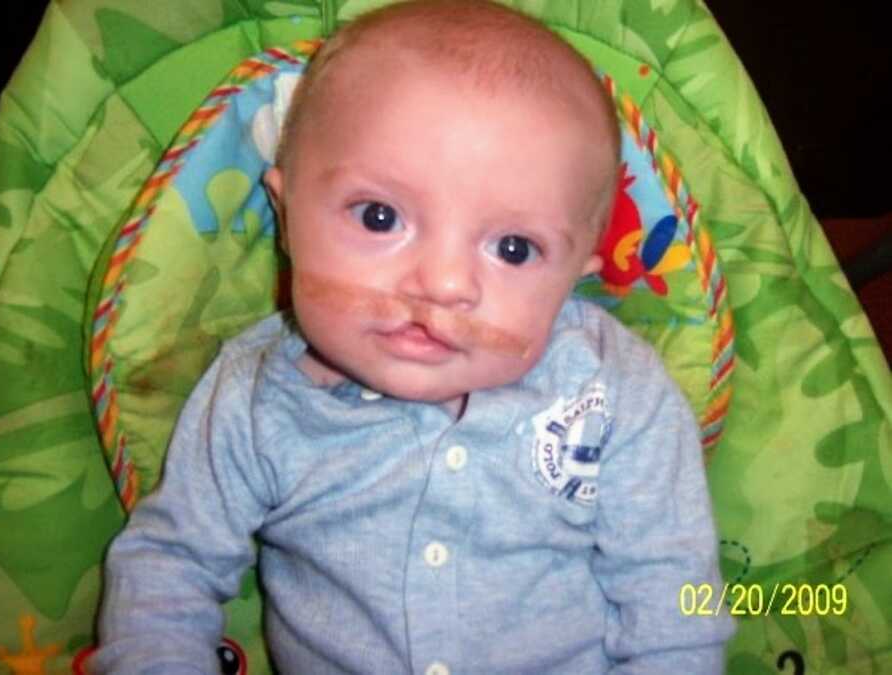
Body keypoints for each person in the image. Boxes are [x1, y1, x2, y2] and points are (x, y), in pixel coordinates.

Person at [91, 1, 735, 672]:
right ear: (286, 216)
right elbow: (169, 571)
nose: (444, 283)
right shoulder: (255, 399)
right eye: (379, 216)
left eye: (514, 248)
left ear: (574, 277)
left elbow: (674, 596)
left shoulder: (616, 390)